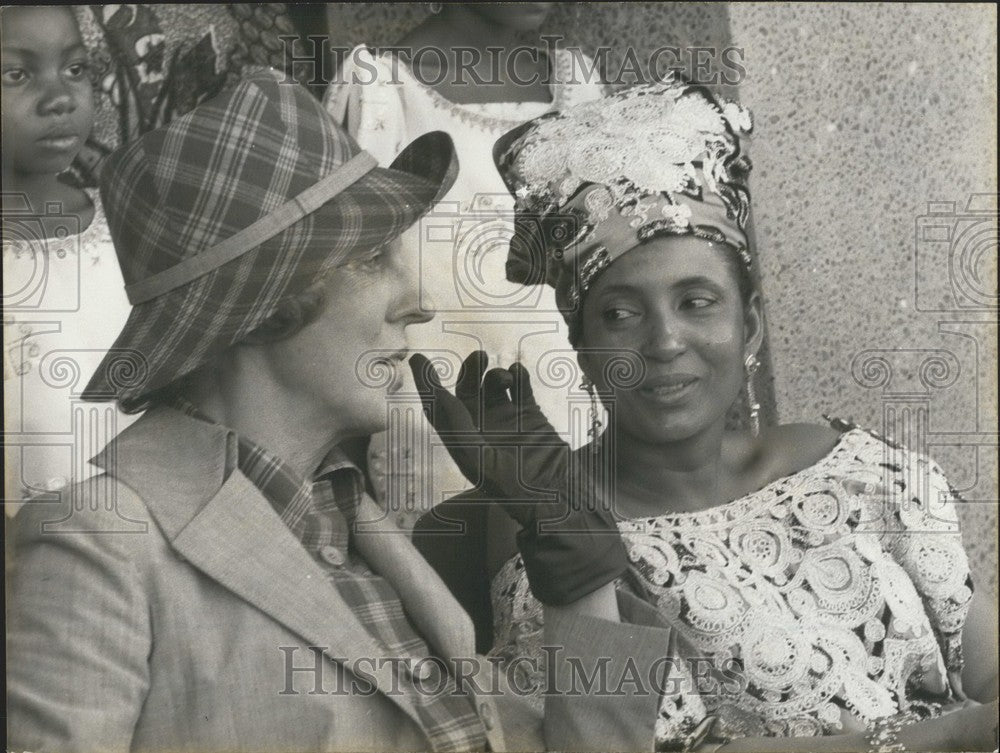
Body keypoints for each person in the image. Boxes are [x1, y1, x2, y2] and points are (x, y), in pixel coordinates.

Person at [7, 69, 676, 753]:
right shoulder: (99, 542)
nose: (417, 301)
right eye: (372, 260)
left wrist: (573, 546)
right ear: (263, 303)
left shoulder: (354, 524)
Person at [413, 80, 999, 751]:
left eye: (697, 302)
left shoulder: (851, 468)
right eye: (620, 314)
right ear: (580, 347)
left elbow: (981, 662)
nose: (664, 343)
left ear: (748, 326)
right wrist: (942, 738)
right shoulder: (556, 527)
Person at [325, 3, 608, 529]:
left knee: (584, 580)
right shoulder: (380, 94)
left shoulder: (582, 86)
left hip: (581, 438)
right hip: (438, 452)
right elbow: (339, 300)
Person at [2, 5, 137, 510]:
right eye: (16, 74)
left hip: (151, 551)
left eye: (75, 69)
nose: (60, 98)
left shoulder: (126, 226)